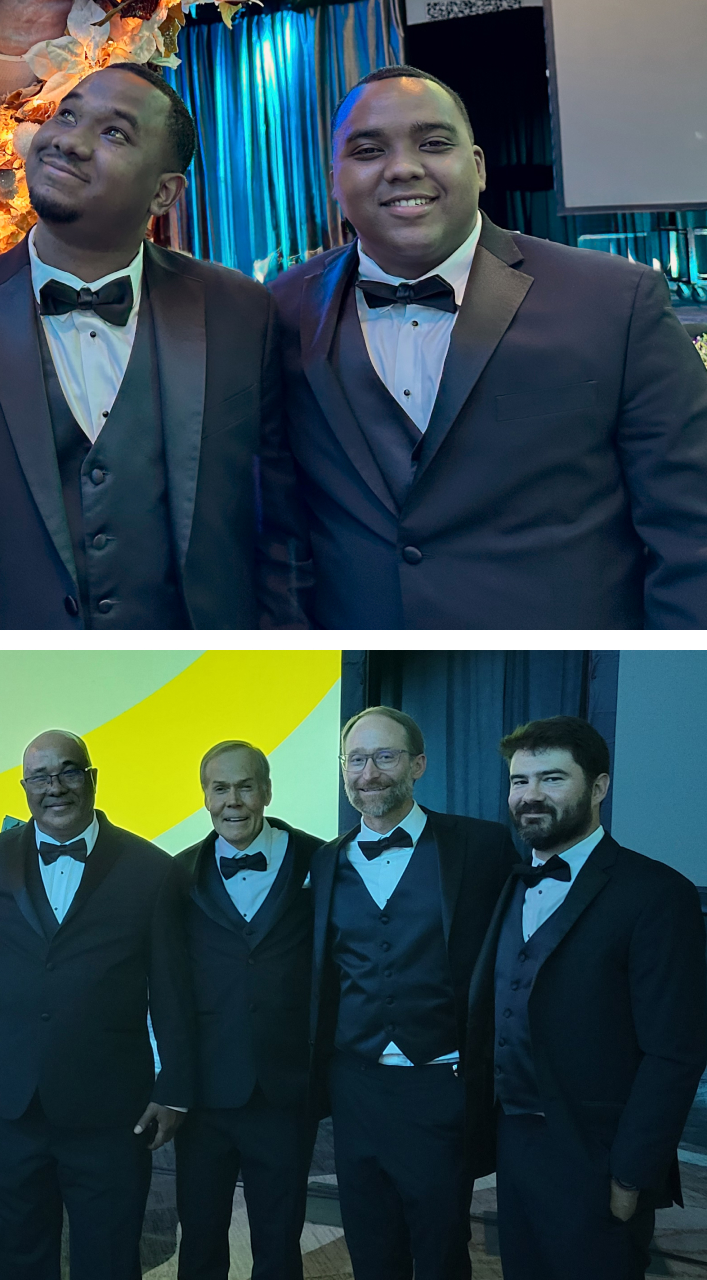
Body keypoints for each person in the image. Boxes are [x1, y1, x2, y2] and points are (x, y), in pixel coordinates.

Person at [268, 65, 707, 628]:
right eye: (368, 150)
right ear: (335, 179)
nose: (402, 168)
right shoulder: (277, 310)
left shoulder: (614, 300)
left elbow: (691, 526)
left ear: (477, 168)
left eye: (432, 144)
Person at [0, 64, 309, 629]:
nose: (70, 141)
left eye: (115, 133)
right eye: (67, 114)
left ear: (164, 192)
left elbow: (282, 521)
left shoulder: (239, 312)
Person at [0, 730, 195, 1279]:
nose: (56, 787)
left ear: (92, 779)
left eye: (69, 772)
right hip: (3, 1103)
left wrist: (175, 1088)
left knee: (110, 1257)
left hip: (110, 1109)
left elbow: (171, 989)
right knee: (15, 1257)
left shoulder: (153, 869)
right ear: (25, 786)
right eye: (41, 777)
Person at [467, 717, 707, 1280]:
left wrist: (630, 1176)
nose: (530, 796)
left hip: (600, 1160)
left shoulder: (656, 893)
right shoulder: (510, 883)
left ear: (599, 787)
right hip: (515, 1150)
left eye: (551, 779)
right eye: (519, 781)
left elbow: (675, 1052)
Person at [309, 707, 516, 1280]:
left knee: (442, 1247)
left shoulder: (483, 846)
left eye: (385, 756)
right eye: (356, 759)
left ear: (418, 764)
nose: (368, 772)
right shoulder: (326, 860)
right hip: (355, 1085)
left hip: (441, 1084)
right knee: (370, 1246)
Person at [172, 741, 323, 1280]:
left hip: (284, 1090)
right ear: (204, 796)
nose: (232, 801)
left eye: (244, 786)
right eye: (219, 788)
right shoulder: (178, 873)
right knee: (200, 1239)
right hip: (205, 1094)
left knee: (280, 1241)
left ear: (266, 790)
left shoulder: (321, 861)